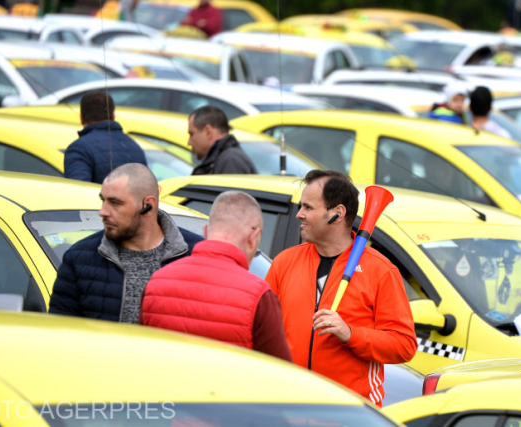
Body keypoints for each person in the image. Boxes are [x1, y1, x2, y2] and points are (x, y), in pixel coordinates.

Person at [265, 170, 416, 406]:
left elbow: (403, 345)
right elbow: (264, 331)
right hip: (288, 407)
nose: (299, 214)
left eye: (308, 207)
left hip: (350, 412)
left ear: (337, 213)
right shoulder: (284, 262)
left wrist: (350, 334)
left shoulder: (380, 270)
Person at [140, 191, 293, 361]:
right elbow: (279, 372)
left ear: (206, 232)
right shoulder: (259, 296)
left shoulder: (157, 281)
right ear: (253, 237)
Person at [49, 163, 202, 323]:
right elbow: (60, 334)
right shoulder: (79, 258)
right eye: (103, 201)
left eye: (115, 203)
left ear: (147, 205)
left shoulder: (196, 256)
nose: (103, 212)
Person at [64, 91, 147, 185]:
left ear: (81, 117)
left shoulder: (79, 149)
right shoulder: (135, 147)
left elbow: (78, 190)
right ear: (113, 115)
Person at [188, 105, 257, 175]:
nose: (189, 142)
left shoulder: (231, 161)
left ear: (208, 132)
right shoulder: (225, 159)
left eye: (191, 134)